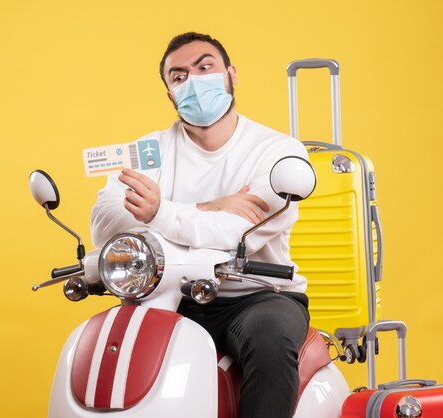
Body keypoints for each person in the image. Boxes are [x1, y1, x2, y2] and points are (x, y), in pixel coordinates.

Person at [91, 32, 310, 418]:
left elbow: (236, 234)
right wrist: (208, 206)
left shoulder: (279, 151)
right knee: (115, 345)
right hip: (170, 294)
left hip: (256, 296)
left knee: (271, 340)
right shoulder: (150, 149)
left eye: (205, 67)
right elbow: (107, 223)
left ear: (231, 74)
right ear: (170, 95)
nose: (192, 81)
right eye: (178, 77)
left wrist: (158, 212)